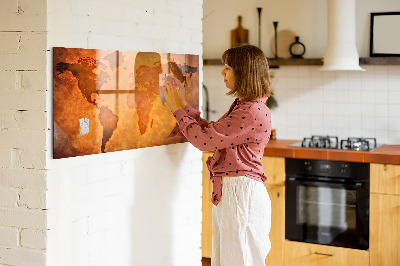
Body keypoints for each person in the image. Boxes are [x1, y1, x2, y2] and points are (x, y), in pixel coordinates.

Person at [161, 44, 273, 266]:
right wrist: (183, 105)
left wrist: (177, 109)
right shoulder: (246, 106)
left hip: (241, 195)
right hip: (236, 193)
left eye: (228, 67)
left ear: (244, 72)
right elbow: (212, 133)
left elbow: (204, 141)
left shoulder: (250, 111)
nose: (222, 72)